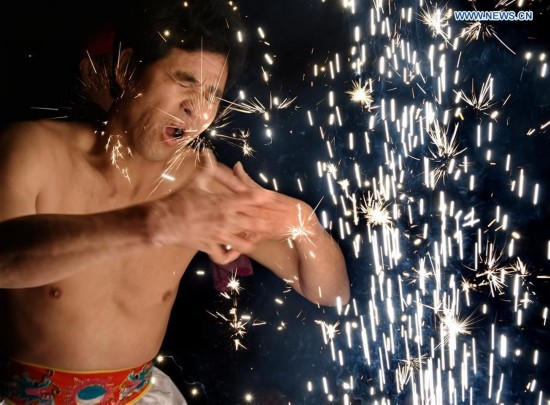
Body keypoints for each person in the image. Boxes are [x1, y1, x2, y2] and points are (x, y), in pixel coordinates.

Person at [0, 0, 350, 403]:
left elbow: (329, 292)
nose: (197, 109)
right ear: (127, 69)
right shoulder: (34, 150)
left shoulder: (207, 189)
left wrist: (303, 223)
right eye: (185, 82)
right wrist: (154, 223)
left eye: (212, 94)